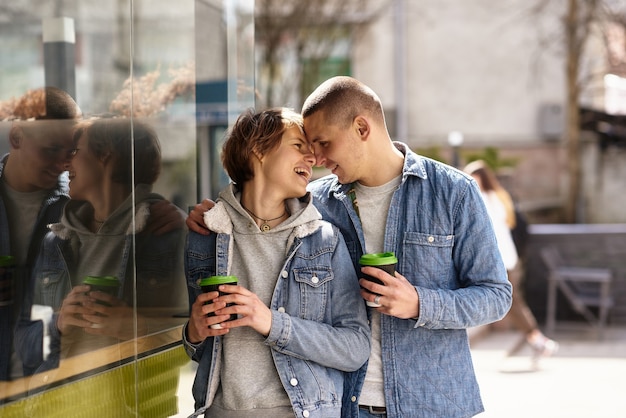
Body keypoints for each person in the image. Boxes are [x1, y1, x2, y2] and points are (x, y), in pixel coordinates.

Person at [187, 76, 513, 418]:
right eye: (310, 146)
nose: (317, 157)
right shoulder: (318, 203)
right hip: (346, 405)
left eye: (324, 143)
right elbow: (259, 199)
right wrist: (213, 214)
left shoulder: (452, 192)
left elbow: (496, 295)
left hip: (433, 403)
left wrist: (419, 303)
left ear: (361, 127)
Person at [183, 107, 370, 418]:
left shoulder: (324, 239)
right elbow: (199, 349)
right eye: (299, 146)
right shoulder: (205, 234)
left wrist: (271, 323)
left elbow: (355, 348)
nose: (312, 159)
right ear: (258, 150)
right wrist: (194, 331)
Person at [16, 117, 187, 374]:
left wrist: (136, 328)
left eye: (74, 152)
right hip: (57, 406)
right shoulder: (55, 243)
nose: (65, 163)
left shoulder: (166, 233)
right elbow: (24, 345)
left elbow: (199, 343)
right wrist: (58, 323)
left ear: (106, 155)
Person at [464, 160, 558, 364]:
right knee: (513, 302)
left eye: (473, 177)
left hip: (502, 261)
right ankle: (538, 341)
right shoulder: (499, 197)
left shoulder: (485, 199)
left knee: (512, 303)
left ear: (481, 178)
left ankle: (539, 341)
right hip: (509, 258)